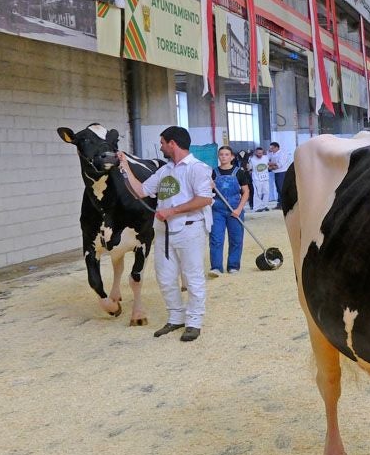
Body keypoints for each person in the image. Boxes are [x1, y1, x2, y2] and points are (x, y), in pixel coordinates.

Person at [117, 126, 214, 342]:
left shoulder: (197, 168)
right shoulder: (165, 170)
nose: (160, 146)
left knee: (192, 277)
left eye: (162, 142)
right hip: (163, 231)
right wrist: (124, 166)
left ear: (172, 143)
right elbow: (141, 191)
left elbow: (204, 199)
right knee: (166, 277)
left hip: (189, 229)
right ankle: (176, 317)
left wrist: (172, 210)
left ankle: (194, 322)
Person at [208, 146, 251, 277]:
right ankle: (216, 267)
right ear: (218, 156)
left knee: (236, 239)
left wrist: (239, 209)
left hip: (235, 210)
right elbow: (206, 192)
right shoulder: (213, 173)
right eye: (221, 154)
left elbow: (246, 192)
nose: (224, 157)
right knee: (216, 239)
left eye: (227, 154)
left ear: (232, 157)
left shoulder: (239, 172)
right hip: (217, 210)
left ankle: (233, 266)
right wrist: (210, 187)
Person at [247, 146, 275, 211]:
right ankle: (257, 207)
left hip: (265, 178)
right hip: (256, 179)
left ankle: (264, 205)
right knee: (257, 193)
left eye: (261, 153)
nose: (260, 154)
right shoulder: (252, 159)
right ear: (255, 153)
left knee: (266, 192)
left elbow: (268, 166)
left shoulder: (266, 158)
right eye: (259, 153)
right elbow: (249, 169)